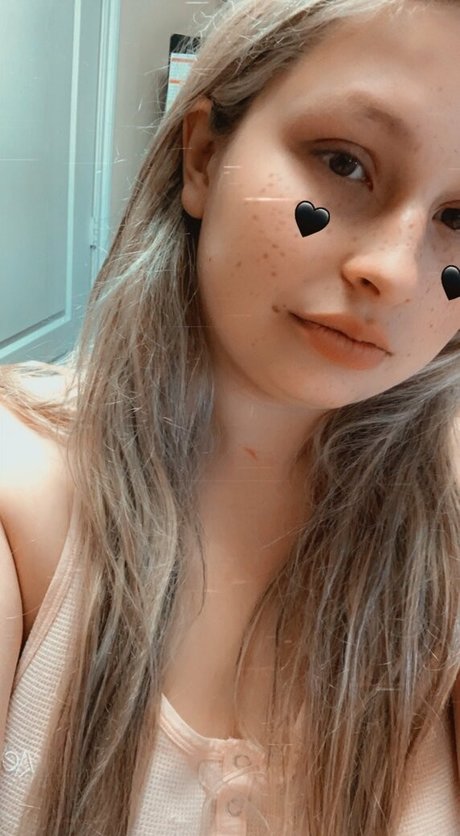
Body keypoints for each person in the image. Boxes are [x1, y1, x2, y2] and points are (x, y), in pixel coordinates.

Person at [0, 0, 459, 833]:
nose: (394, 272)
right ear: (204, 156)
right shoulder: (18, 495)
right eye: (344, 162)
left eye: (457, 219)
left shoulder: (444, 537)